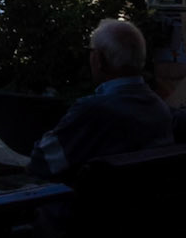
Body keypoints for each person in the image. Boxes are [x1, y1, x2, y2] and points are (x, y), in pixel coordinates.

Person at [29, 19, 173, 179]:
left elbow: (41, 162)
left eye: (90, 51)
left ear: (99, 60)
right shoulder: (158, 107)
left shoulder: (93, 111)